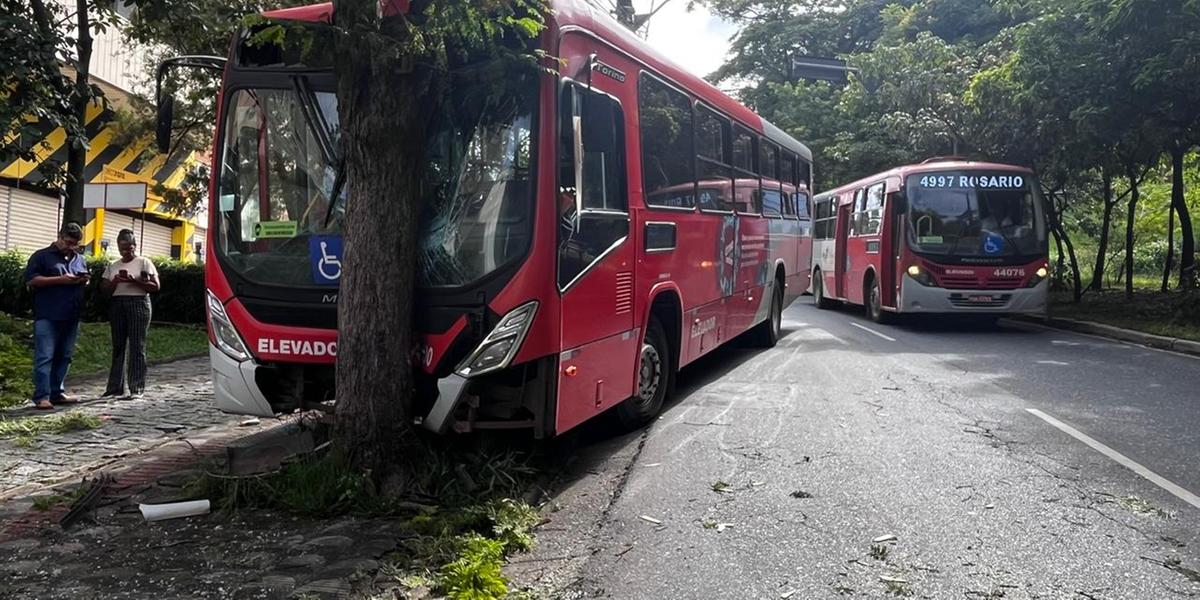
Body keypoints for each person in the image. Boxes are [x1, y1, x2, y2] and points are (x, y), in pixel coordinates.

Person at [23, 222, 89, 410]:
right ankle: (42, 395)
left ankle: (57, 392)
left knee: (65, 356)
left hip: (71, 314)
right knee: (45, 356)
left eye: (75, 244)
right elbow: (32, 279)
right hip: (48, 313)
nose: (71, 247)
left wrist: (83, 280)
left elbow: (85, 278)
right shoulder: (42, 256)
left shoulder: (79, 259)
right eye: (68, 242)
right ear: (59, 237)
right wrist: (60, 280)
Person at [101, 229, 159, 399]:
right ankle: (114, 387)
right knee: (118, 346)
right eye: (123, 249)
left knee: (137, 346)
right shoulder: (113, 265)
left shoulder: (144, 263)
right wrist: (115, 282)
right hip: (118, 304)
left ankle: (136, 387)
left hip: (138, 303)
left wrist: (134, 280)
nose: (127, 252)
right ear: (118, 247)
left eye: (130, 248)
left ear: (135, 246)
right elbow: (103, 289)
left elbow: (155, 286)